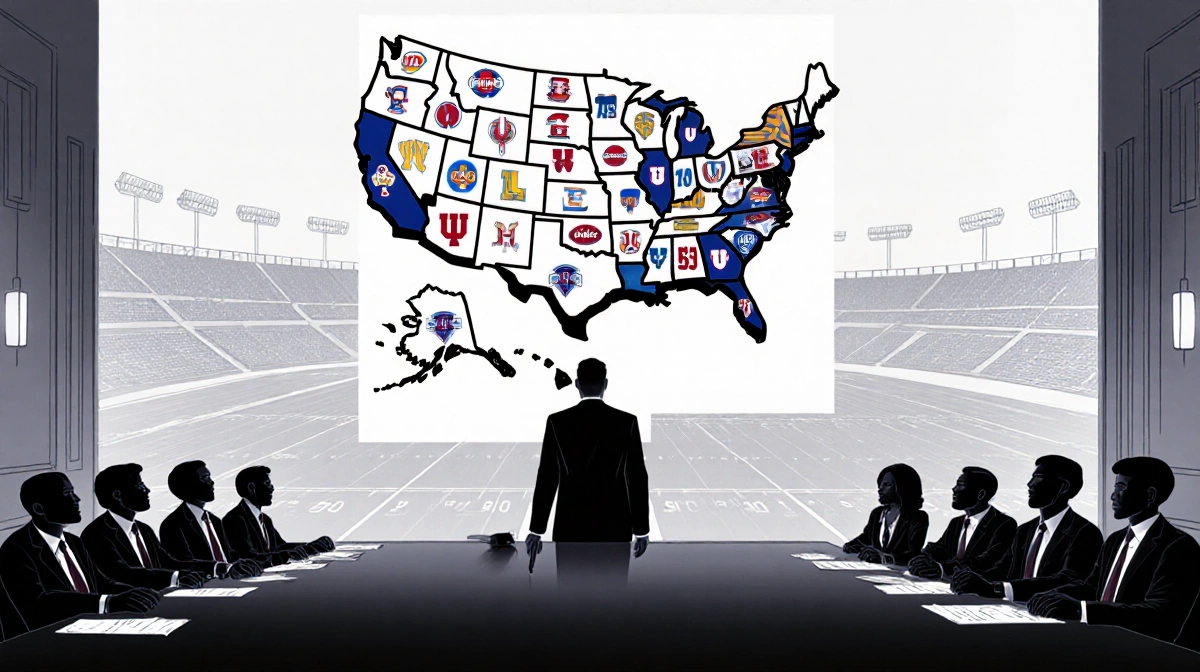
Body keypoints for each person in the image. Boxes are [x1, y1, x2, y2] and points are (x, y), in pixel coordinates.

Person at [1027, 457, 1200, 644]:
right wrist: (1052, 595)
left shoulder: (1179, 547)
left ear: (1150, 496)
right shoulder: (1114, 540)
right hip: (1099, 641)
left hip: (1142, 649)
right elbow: (1092, 587)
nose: (1112, 496)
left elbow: (1160, 615)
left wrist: (1080, 610)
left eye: (1121, 488)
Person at [525, 359, 650, 563]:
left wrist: (536, 529)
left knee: (571, 582)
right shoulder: (626, 421)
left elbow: (547, 476)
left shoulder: (557, 421)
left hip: (569, 523)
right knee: (613, 582)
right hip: (615, 524)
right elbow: (637, 477)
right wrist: (642, 530)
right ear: (605, 384)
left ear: (577, 384)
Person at [0, 472, 160, 632]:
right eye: (67, 494)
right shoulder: (15, 550)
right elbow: (40, 603)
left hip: (95, 628)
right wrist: (108, 603)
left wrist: (134, 593)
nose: (77, 499)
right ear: (39, 509)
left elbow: (100, 583)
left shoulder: (74, 542)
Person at [951, 455, 1102, 602]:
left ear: (1064, 487)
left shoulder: (1086, 533)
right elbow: (1003, 569)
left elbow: (1068, 580)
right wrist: (971, 579)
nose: (1030, 484)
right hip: (1012, 610)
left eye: (1038, 477)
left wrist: (999, 589)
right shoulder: (1024, 531)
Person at [83, 463, 246, 588]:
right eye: (139, 485)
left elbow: (169, 562)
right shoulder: (95, 534)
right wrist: (174, 578)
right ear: (117, 495)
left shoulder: (144, 530)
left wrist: (216, 567)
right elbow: (122, 573)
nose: (147, 490)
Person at [907, 467, 1016, 580]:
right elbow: (940, 549)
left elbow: (986, 561)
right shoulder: (956, 523)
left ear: (981, 494)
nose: (954, 489)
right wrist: (921, 558)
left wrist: (942, 569)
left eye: (960, 485)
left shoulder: (1004, 525)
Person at [158, 461, 264, 576]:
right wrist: (218, 568)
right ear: (187, 485)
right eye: (204, 478)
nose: (211, 482)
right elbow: (182, 564)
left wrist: (245, 564)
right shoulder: (172, 524)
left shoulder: (214, 521)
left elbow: (229, 555)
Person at [223, 466, 335, 562]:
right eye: (267, 483)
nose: (272, 488)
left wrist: (312, 546)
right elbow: (247, 557)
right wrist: (288, 555)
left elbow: (279, 547)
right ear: (252, 488)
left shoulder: (265, 520)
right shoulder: (234, 520)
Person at [842, 464, 929, 565]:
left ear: (903, 488)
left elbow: (914, 552)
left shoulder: (917, 518)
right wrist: (851, 545)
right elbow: (866, 537)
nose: (880, 489)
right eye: (880, 485)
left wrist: (886, 558)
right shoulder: (877, 514)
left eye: (887, 485)